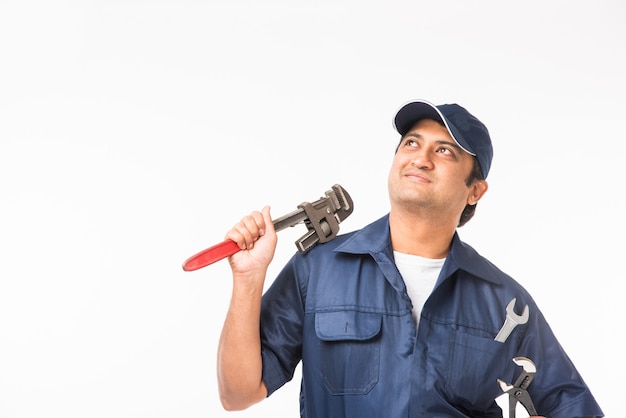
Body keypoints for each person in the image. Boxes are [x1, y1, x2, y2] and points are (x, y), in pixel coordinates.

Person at [216, 99, 604, 417]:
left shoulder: (504, 303)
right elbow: (238, 394)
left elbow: (571, 403)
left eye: (444, 151)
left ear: (475, 191)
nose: (420, 158)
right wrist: (248, 280)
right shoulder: (317, 269)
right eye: (411, 143)